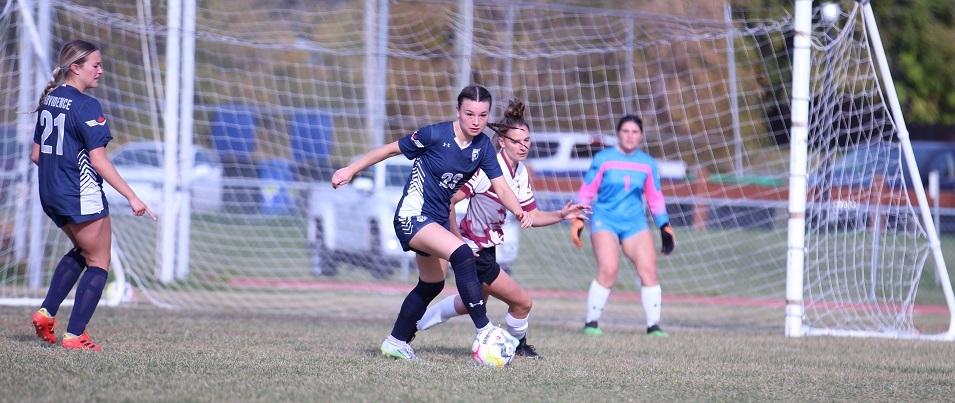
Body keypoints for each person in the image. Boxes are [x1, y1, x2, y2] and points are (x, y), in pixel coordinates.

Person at [331, 85, 533, 361]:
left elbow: (502, 187)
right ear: (458, 111)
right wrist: (350, 169)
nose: (476, 121)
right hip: (412, 216)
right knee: (463, 254)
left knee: (433, 284)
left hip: (435, 221)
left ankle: (396, 341)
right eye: (469, 113)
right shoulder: (435, 135)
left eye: (482, 115)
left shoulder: (483, 146)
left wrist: (519, 211)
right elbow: (390, 150)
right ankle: (484, 330)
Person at [415, 99, 588, 359]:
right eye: (516, 141)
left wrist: (561, 215)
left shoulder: (521, 173)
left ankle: (413, 324)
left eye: (526, 140)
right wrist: (457, 242)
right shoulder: (488, 169)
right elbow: (449, 201)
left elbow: (532, 215)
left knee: (468, 304)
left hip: (487, 249)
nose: (523, 146)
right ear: (502, 142)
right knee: (522, 302)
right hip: (473, 251)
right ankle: (518, 346)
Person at [30, 40, 157, 351]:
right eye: (95, 65)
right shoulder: (86, 105)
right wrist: (133, 197)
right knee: (99, 261)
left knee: (84, 250)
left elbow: (36, 155)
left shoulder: (50, 99)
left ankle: (46, 313)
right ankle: (75, 335)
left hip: (50, 193)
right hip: (79, 193)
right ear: (75, 68)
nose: (101, 71)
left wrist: (61, 174)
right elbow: (98, 161)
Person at [570, 115, 675, 337]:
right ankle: (591, 323)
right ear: (618, 134)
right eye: (626, 131)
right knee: (609, 269)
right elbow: (587, 191)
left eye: (635, 132)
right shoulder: (603, 159)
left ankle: (654, 327)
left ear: (641, 135)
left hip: (635, 223)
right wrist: (579, 219)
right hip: (605, 220)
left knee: (648, 270)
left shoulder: (648, 163)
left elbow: (655, 198)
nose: (630, 136)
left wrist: (664, 225)